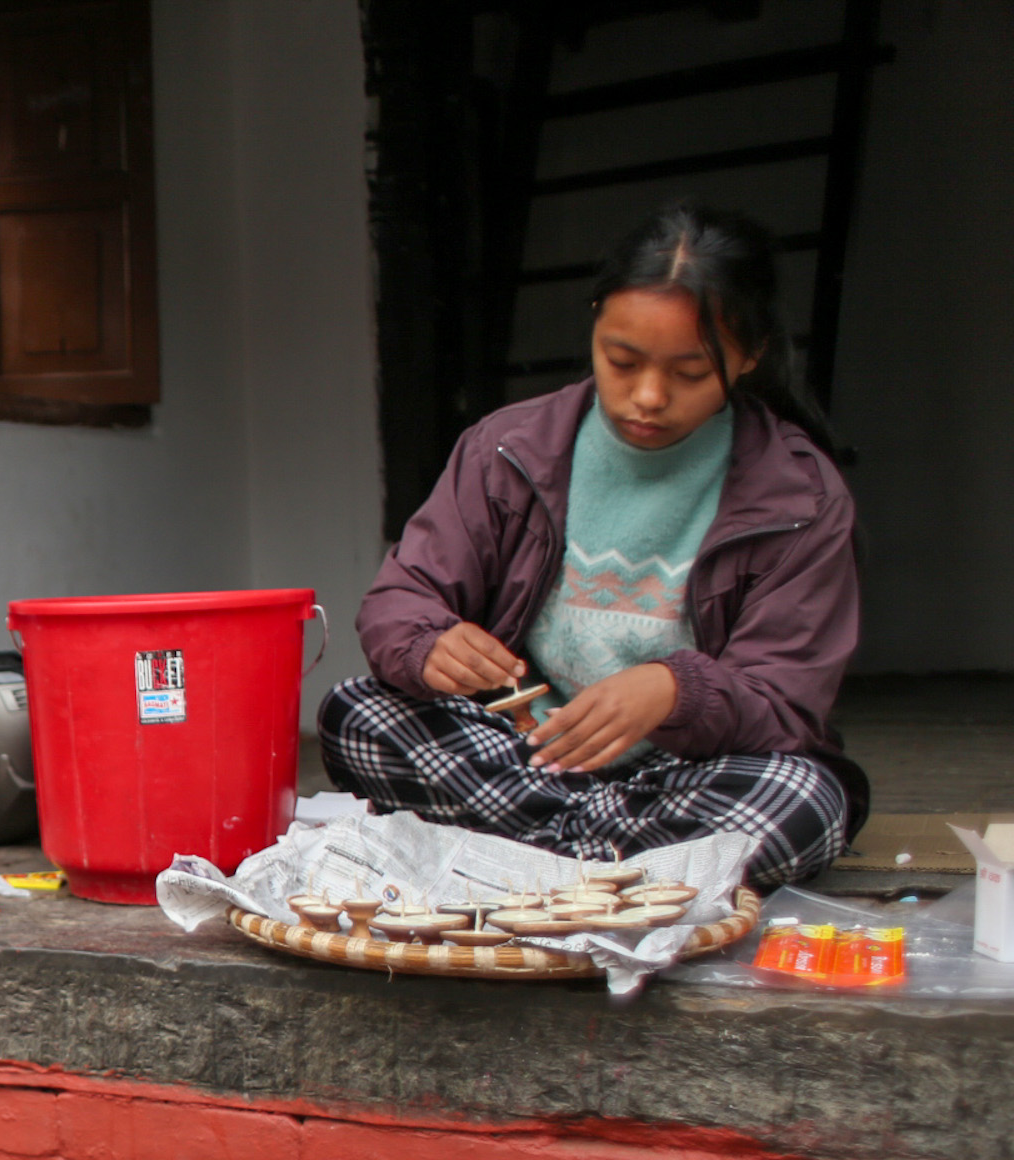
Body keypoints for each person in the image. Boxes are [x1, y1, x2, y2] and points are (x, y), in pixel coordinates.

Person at [322, 202, 867, 889]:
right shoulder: (507, 449)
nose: (647, 395)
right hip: (523, 754)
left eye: (690, 373)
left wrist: (674, 691)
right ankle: (623, 868)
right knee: (358, 713)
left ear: (750, 356)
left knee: (802, 797)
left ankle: (527, 861)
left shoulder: (800, 497)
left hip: (690, 771)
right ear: (596, 324)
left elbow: (786, 701)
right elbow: (402, 598)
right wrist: (430, 644)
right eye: (622, 359)